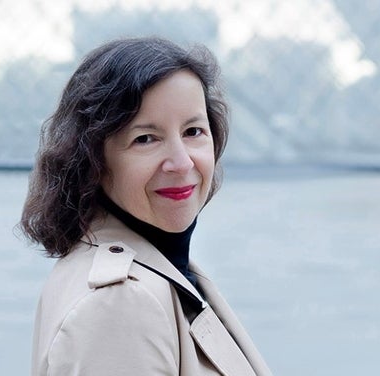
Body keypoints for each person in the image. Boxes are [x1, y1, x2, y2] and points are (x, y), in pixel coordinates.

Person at [19, 36, 271, 376]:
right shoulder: (120, 304)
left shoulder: (156, 267)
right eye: (145, 139)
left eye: (194, 131)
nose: (182, 163)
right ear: (93, 160)